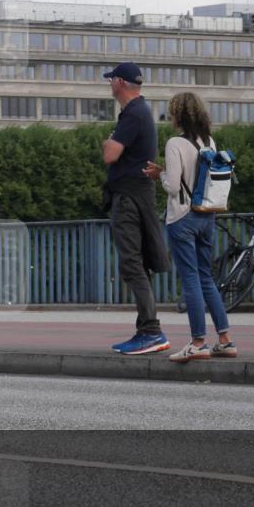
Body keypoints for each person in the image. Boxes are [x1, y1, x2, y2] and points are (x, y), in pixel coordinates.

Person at [144, 92, 235, 362]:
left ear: (178, 115)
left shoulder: (175, 143)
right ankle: (225, 340)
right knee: (207, 278)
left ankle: (197, 343)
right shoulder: (208, 141)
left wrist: (159, 174)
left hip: (182, 218)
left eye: (171, 112)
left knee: (191, 280)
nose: (169, 117)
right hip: (206, 216)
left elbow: (173, 186)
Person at [100, 62, 171, 355]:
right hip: (139, 195)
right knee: (139, 263)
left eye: (111, 80)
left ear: (120, 82)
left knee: (132, 263)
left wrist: (108, 141)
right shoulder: (141, 111)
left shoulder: (132, 114)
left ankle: (151, 331)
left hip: (128, 198)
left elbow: (110, 154)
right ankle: (148, 329)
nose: (109, 84)